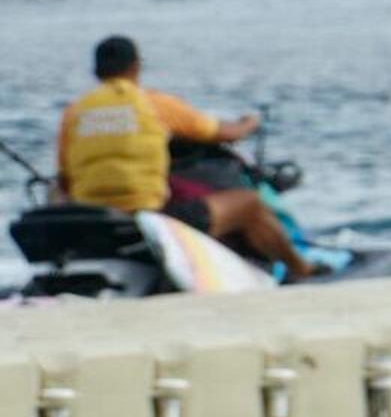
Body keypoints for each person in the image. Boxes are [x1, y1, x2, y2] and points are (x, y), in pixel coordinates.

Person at [54, 33, 317, 280]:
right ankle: (301, 270)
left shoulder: (74, 112)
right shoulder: (153, 103)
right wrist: (250, 122)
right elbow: (225, 133)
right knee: (250, 204)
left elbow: (65, 178)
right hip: (149, 218)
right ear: (136, 67)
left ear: (96, 71)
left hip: (94, 219)